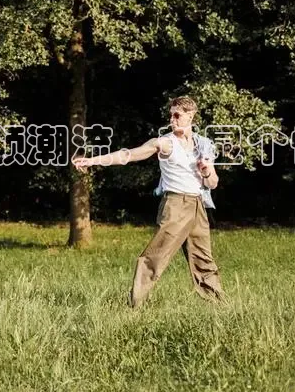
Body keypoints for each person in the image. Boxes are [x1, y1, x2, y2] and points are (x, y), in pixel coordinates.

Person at [72, 96, 225, 308]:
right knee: (156, 256)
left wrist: (206, 171)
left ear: (190, 116)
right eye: (170, 115)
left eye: (177, 115)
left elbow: (213, 183)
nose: (172, 119)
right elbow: (128, 155)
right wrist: (92, 160)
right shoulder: (165, 143)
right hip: (176, 204)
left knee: (204, 259)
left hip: (198, 205)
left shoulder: (204, 145)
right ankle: (135, 304)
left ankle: (218, 305)